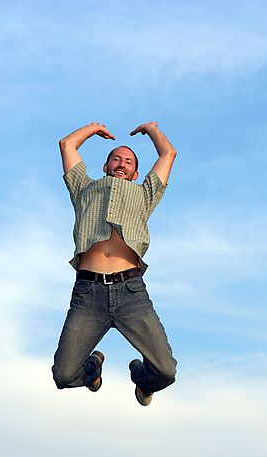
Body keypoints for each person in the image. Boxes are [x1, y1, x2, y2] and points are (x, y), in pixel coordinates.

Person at [52, 121, 177, 406]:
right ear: (106, 167)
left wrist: (153, 129)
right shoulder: (84, 189)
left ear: (135, 174)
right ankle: (93, 369)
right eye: (116, 159)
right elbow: (67, 145)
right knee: (64, 375)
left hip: (131, 292)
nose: (122, 164)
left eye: (129, 162)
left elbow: (168, 154)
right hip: (88, 294)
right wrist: (93, 128)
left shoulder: (144, 194)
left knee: (165, 371)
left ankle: (140, 378)